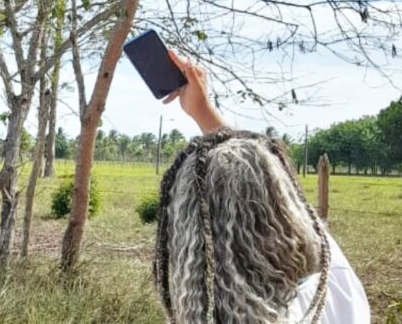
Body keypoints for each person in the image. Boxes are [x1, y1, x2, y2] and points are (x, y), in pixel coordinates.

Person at [156, 51, 370, 323]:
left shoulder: (205, 312)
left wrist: (200, 112)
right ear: (283, 209)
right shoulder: (333, 284)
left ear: (188, 237)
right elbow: (293, 210)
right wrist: (203, 111)